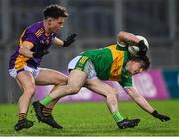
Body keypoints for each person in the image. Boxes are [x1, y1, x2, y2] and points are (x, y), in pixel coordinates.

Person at [33, 31, 170, 129]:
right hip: (85, 60)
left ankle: (120, 121)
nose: (139, 71)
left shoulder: (125, 76)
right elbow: (122, 34)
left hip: (92, 73)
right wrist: (139, 42)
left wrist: (155, 113)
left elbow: (136, 96)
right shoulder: (123, 51)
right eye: (140, 67)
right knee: (74, 88)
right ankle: (41, 104)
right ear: (134, 59)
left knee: (111, 92)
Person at [8, 4, 77, 131]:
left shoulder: (48, 30)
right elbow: (23, 50)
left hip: (33, 67)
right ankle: (21, 120)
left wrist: (65, 43)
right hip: (20, 64)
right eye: (60, 23)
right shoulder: (35, 32)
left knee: (64, 81)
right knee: (30, 89)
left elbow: (52, 38)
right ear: (49, 21)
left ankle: (45, 113)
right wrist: (34, 54)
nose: (61, 26)